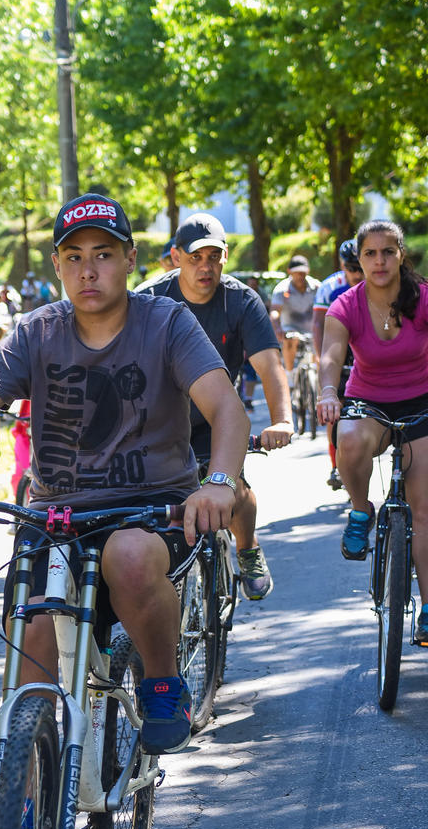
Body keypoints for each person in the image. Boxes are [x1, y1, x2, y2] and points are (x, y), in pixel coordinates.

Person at [0, 192, 250, 756]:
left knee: (128, 557)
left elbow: (226, 408)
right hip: (56, 515)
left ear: (130, 259)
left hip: (149, 509)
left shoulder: (168, 322)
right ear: (56, 266)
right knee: (33, 649)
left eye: (102, 253)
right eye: (73, 256)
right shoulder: (37, 331)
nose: (88, 269)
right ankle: (25, 799)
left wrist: (218, 483)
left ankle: (162, 681)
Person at [139, 212, 293, 600]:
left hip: (217, 420)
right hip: (162, 422)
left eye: (214, 257)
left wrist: (282, 420)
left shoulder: (241, 300)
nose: (205, 267)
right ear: (176, 257)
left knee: (233, 488)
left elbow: (268, 365)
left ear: (225, 257)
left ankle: (247, 548)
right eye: (195, 258)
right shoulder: (149, 299)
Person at [317, 220, 428, 643]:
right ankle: (361, 509)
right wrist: (329, 391)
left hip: (422, 401)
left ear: (401, 255)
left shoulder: (423, 299)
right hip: (370, 401)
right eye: (370, 254)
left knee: (424, 511)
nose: (379, 261)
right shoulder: (346, 305)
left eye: (388, 252)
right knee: (347, 437)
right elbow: (330, 356)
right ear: (359, 259)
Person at [312, 240, 364, 490]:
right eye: (352, 268)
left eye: (360, 267)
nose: (357, 274)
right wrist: (320, 357)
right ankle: (335, 463)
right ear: (343, 265)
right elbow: (317, 325)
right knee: (335, 410)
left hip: (363, 350)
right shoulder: (330, 287)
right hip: (340, 351)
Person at [270, 255, 321, 385]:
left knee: (321, 351)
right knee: (291, 340)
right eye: (297, 272)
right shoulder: (282, 289)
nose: (300, 275)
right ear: (289, 272)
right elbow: (275, 311)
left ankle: (320, 383)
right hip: (290, 327)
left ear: (308, 271)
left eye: (303, 272)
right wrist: (277, 328)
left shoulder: (317, 287)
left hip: (313, 328)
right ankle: (290, 373)